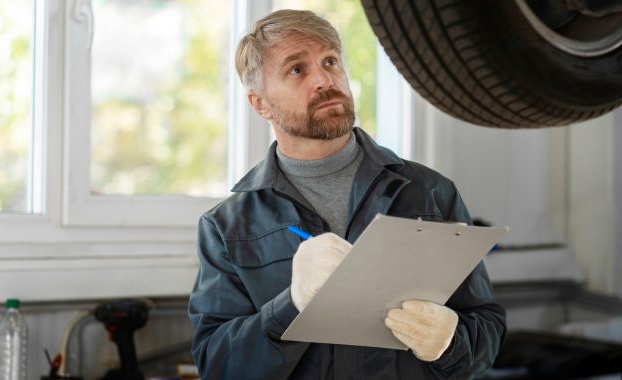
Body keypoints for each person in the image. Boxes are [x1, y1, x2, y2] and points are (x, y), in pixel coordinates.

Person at [188, 9, 506, 380]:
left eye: (330, 61)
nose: (324, 79)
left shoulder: (431, 193)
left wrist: (450, 342)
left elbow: (488, 330)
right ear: (260, 103)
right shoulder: (227, 226)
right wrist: (291, 305)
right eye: (297, 69)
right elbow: (217, 365)